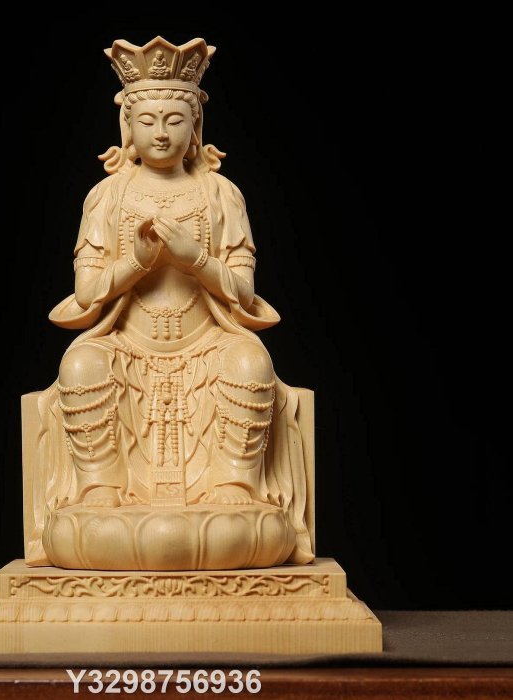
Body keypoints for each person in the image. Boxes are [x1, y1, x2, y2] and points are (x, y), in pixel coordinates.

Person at [30, 38, 313, 567]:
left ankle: (234, 484)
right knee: (81, 362)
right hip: (127, 344)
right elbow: (87, 292)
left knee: (250, 361)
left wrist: (193, 259)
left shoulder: (221, 195)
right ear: (127, 126)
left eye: (175, 119)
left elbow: (244, 291)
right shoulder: (107, 197)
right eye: (148, 119)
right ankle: (100, 487)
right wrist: (137, 262)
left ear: (195, 126)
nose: (161, 131)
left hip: (206, 342)